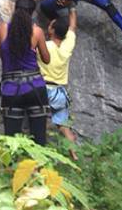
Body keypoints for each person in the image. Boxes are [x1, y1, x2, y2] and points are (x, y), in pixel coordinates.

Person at [0, 0, 50, 146]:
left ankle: (9, 168)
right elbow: (47, 59)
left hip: (11, 88)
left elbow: (3, 57)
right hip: (35, 86)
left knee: (11, 140)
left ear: (15, 10)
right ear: (32, 13)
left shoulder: (3, 29)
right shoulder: (37, 32)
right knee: (39, 138)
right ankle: (38, 168)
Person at [37, 10, 79, 160]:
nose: (49, 26)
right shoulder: (67, 47)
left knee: (37, 122)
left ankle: (38, 153)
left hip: (42, 89)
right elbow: (73, 27)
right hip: (59, 92)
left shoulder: (44, 46)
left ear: (52, 31)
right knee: (63, 125)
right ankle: (73, 153)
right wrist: (72, 7)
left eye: (50, 25)